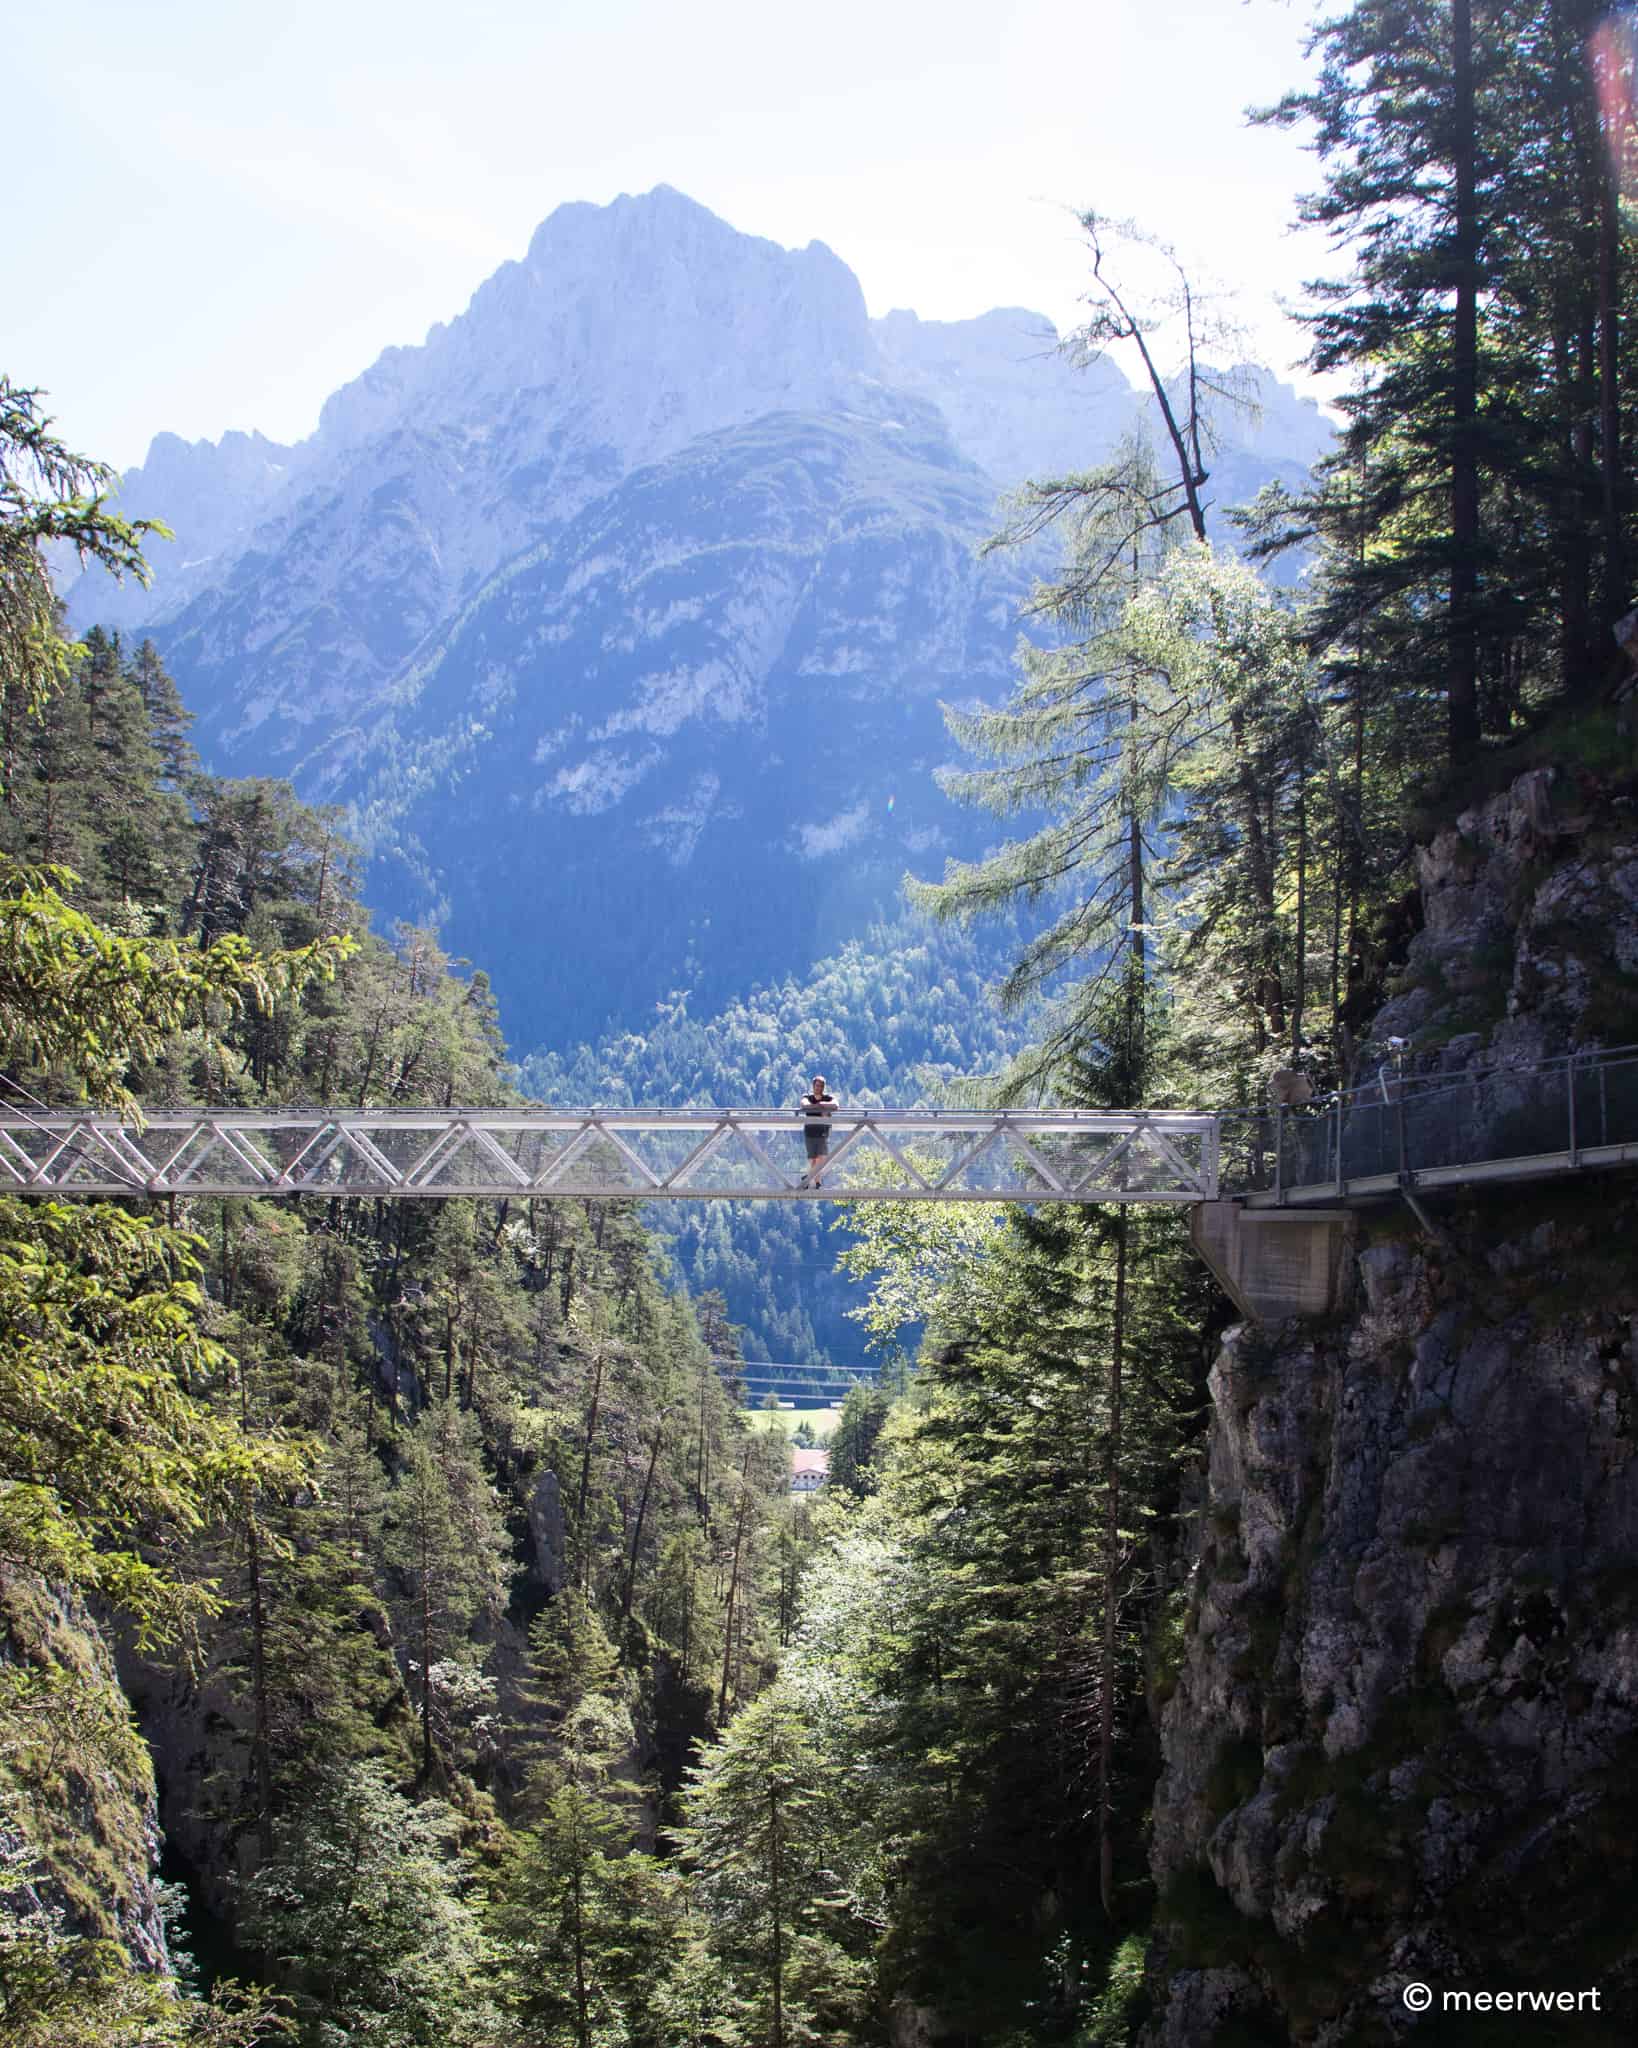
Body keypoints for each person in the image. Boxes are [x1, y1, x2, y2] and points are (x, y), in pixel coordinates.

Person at [798, 1074, 839, 1187]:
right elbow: (804, 1105)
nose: (819, 1088)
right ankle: (815, 1181)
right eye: (817, 1085)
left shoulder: (828, 1097)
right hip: (810, 1132)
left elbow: (835, 1105)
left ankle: (811, 1179)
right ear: (813, 1086)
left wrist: (821, 1104)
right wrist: (821, 1108)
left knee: (821, 1158)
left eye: (821, 1086)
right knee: (812, 1159)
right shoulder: (807, 1097)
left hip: (823, 1132)